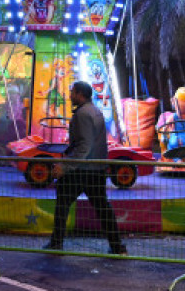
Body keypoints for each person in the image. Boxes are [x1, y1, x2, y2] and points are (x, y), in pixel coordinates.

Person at [44, 81, 126, 255]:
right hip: (96, 169)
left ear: (80, 94)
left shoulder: (82, 114)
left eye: (72, 92)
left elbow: (84, 146)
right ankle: (117, 246)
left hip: (82, 170)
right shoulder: (95, 111)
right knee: (103, 207)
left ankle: (56, 242)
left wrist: (65, 167)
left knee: (63, 203)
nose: (70, 95)